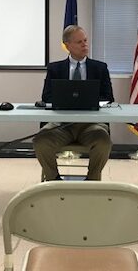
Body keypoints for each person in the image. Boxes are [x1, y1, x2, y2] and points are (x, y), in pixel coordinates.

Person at [33, 25, 114, 181]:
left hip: (91, 125)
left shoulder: (100, 68)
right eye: (79, 42)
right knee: (40, 141)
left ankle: (91, 181)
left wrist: (89, 101)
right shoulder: (55, 68)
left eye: (85, 41)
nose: (85, 45)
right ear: (67, 45)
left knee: (104, 141)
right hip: (61, 125)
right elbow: (46, 96)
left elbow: (109, 97)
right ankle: (54, 179)